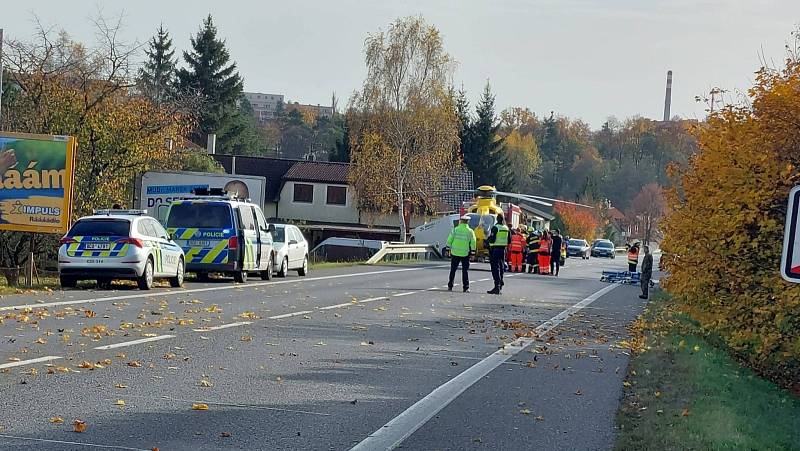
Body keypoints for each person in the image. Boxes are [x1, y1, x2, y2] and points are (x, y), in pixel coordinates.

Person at [444, 215, 477, 293]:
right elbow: (473, 242)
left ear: (461, 221)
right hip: (465, 254)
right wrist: (472, 253)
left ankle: (450, 286)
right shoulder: (470, 231)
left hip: (455, 253)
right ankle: (466, 287)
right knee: (465, 271)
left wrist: (447, 249)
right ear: (468, 222)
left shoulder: (455, 230)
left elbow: (449, 239)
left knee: (453, 270)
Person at [486, 213, 509, 295]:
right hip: (503, 250)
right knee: (501, 267)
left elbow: (492, 240)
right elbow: (509, 240)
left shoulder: (495, 228)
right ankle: (500, 283)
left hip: (495, 249)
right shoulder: (506, 228)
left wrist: (487, 240)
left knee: (495, 268)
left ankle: (497, 286)